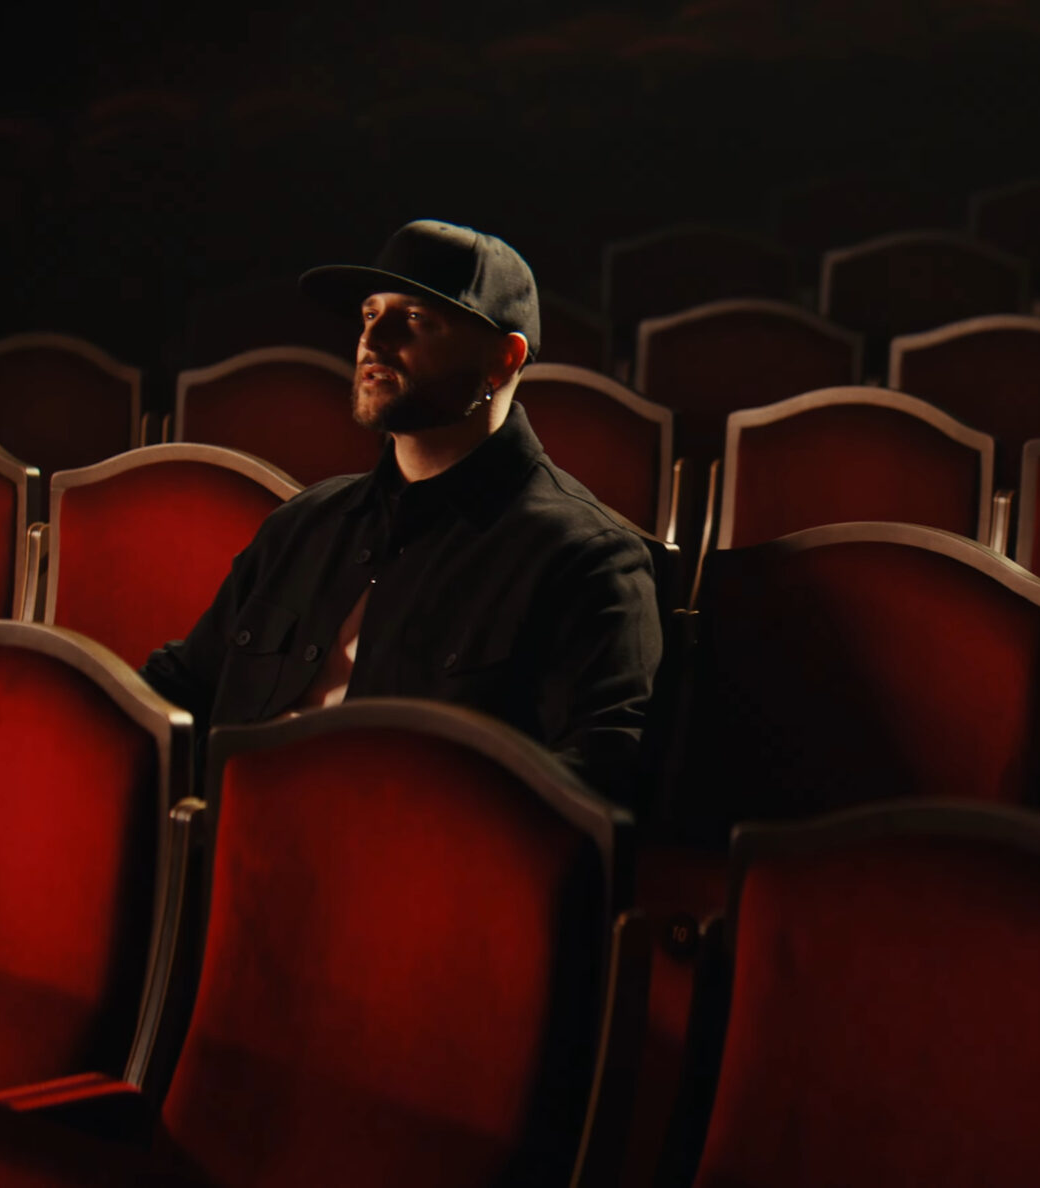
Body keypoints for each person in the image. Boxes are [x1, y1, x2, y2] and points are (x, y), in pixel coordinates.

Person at [143, 219, 662, 800]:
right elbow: (181, 688)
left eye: (415, 319)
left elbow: (595, 785)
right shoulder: (304, 523)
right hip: (229, 842)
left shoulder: (585, 558)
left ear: (503, 358)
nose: (373, 340)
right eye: (370, 314)